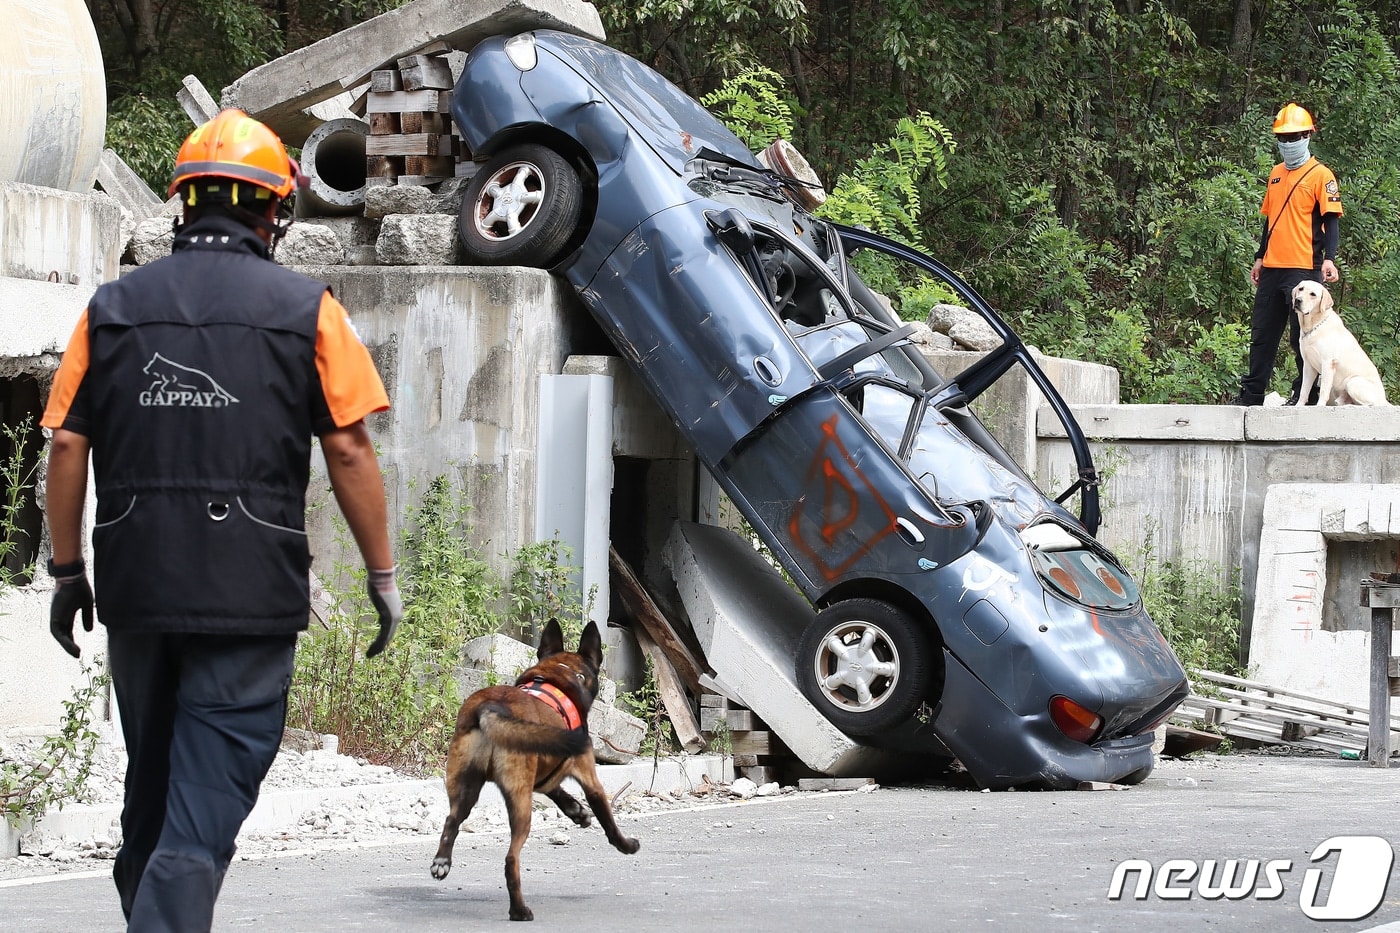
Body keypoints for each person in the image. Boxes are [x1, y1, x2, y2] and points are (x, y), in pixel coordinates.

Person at [41, 109, 404, 932]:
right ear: (273, 211)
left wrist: (68, 574)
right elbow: (348, 450)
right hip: (248, 597)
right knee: (200, 810)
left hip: (137, 590)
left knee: (157, 788)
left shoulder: (112, 308)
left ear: (182, 205)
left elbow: (67, 444)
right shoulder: (308, 308)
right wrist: (382, 576)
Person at [1231, 102, 1344, 405]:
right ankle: (1251, 395)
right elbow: (1271, 220)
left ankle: (1306, 395)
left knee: (1303, 337)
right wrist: (1259, 256)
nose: (1288, 143)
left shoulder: (1322, 175)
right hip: (1272, 267)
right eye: (1283, 137)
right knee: (1263, 335)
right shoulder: (1276, 174)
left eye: (1295, 137)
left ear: (1308, 135)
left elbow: (1331, 220)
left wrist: (1329, 258)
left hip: (1304, 268)